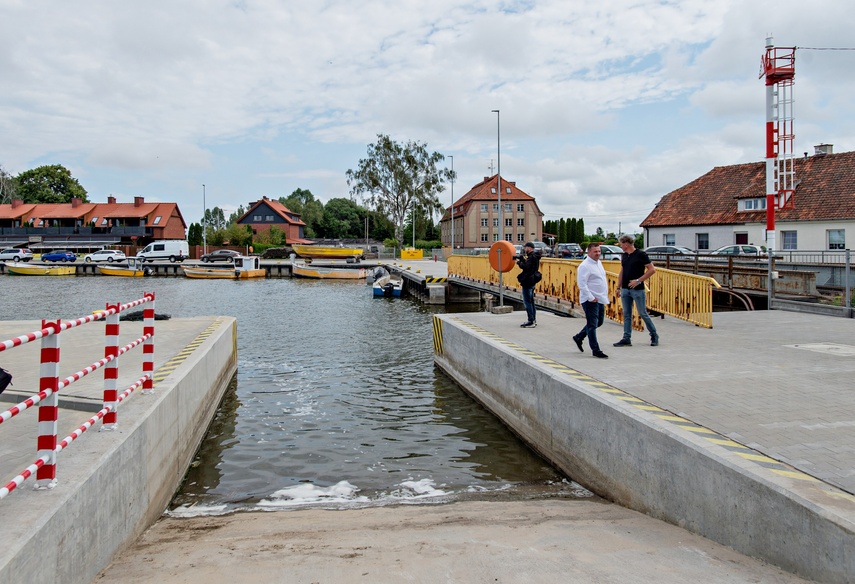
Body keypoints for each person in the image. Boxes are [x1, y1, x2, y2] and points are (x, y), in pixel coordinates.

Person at [613, 234, 659, 347]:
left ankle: (654, 335)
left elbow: (652, 269)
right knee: (627, 314)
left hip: (637, 289)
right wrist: (618, 287)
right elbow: (622, 272)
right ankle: (626, 338)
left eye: (621, 244)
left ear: (626, 244)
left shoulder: (640, 254)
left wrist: (638, 280)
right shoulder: (624, 256)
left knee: (642, 313)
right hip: (625, 289)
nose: (621, 247)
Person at [572, 243, 609, 358]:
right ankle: (595, 349)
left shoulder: (599, 263)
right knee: (592, 324)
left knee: (599, 322)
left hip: (600, 298)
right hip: (590, 300)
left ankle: (579, 337)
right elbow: (582, 284)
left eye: (599, 251)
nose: (598, 253)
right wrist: (590, 297)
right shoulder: (585, 266)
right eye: (595, 252)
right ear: (589, 252)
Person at [516, 241, 541, 328]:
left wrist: (519, 262)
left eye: (525, 247)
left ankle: (531, 321)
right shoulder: (535, 256)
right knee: (531, 301)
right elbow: (529, 265)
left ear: (529, 248)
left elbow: (526, 267)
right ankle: (533, 319)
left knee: (527, 302)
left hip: (528, 281)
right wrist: (523, 260)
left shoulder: (532, 257)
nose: (524, 249)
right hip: (532, 281)